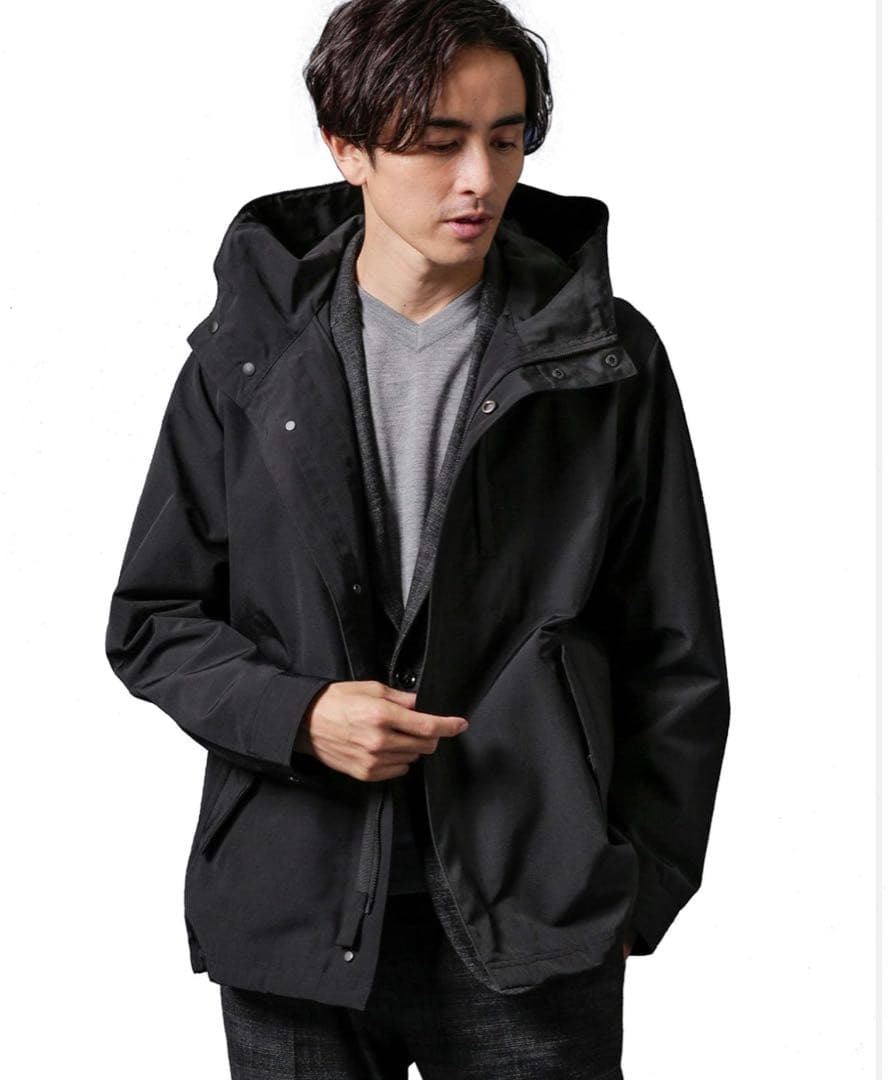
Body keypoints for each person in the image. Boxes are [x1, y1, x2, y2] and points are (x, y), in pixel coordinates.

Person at [104, 1, 731, 1077]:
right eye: (437, 143)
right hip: (293, 915)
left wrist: (639, 887)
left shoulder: (605, 359)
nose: (479, 178)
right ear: (345, 147)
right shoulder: (245, 355)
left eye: (506, 137)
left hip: (533, 917)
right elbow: (153, 620)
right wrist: (300, 716)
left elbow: (672, 644)